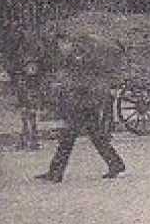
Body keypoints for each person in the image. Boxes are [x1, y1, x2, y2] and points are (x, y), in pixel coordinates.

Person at [38, 30, 125, 183]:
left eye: (61, 44)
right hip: (86, 101)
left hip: (84, 101)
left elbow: (83, 80)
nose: (60, 48)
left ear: (67, 42)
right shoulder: (76, 56)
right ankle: (115, 163)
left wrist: (67, 87)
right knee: (94, 135)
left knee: (68, 137)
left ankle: (55, 173)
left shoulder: (79, 57)